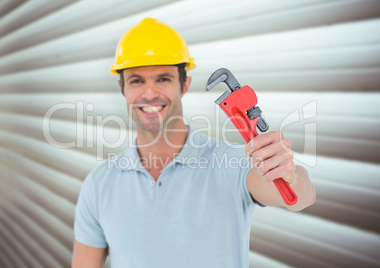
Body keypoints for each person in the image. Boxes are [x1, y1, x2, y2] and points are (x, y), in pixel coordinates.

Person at [72, 18, 316, 268]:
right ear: (121, 88)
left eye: (163, 79)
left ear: (184, 84)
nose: (149, 93)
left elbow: (300, 197)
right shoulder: (99, 184)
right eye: (137, 80)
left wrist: (290, 176)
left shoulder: (232, 162)